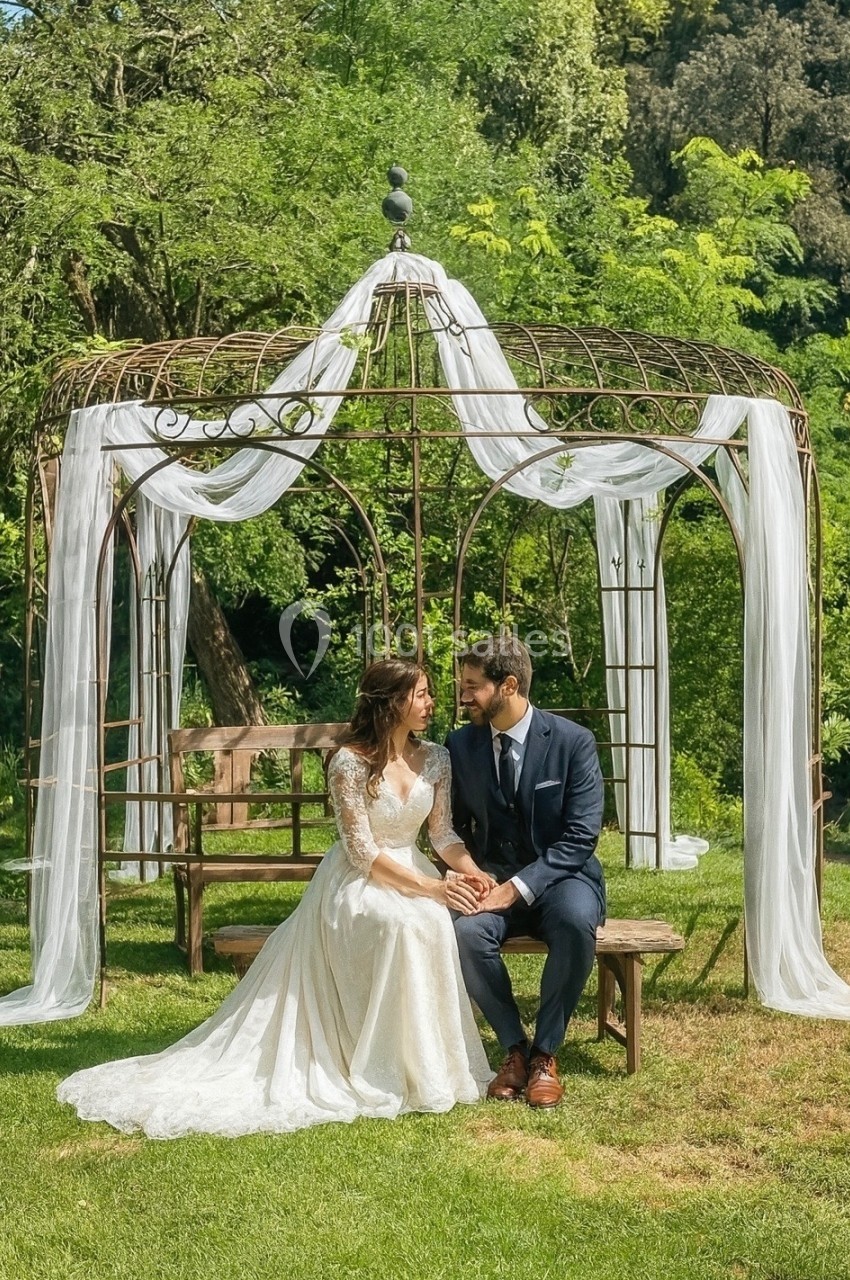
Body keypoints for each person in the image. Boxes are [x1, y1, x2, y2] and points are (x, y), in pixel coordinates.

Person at [57, 659, 493, 1138]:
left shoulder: (435, 758)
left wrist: (471, 873)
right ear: (392, 702)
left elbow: (443, 833)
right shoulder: (350, 761)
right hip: (358, 881)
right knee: (399, 924)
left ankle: (426, 1067)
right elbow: (362, 849)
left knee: (429, 922)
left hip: (413, 866)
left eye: (429, 694)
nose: (432, 704)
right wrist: (432, 887)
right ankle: (374, 1062)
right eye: (422, 695)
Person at [446, 635, 605, 1109]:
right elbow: (452, 824)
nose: (464, 696)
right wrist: (473, 875)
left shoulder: (573, 743)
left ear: (508, 685)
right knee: (468, 935)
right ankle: (514, 1049)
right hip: (490, 877)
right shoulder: (461, 744)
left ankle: (545, 1055)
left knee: (577, 923)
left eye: (473, 686)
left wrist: (519, 887)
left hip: (562, 878)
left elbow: (580, 836)